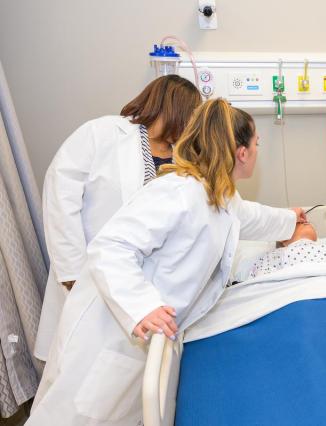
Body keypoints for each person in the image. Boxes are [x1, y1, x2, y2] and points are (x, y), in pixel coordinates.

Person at [27, 99, 306, 425]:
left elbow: (250, 217)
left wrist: (291, 219)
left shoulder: (218, 195)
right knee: (76, 415)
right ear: (242, 153)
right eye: (257, 143)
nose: (258, 150)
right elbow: (111, 247)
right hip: (111, 334)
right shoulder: (178, 193)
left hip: (148, 339)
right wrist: (143, 306)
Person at [35, 75, 202, 361]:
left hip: (145, 288)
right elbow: (60, 196)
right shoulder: (101, 134)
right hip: (88, 274)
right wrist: (73, 272)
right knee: (77, 367)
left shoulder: (183, 157)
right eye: (191, 115)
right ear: (175, 108)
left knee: (126, 376)